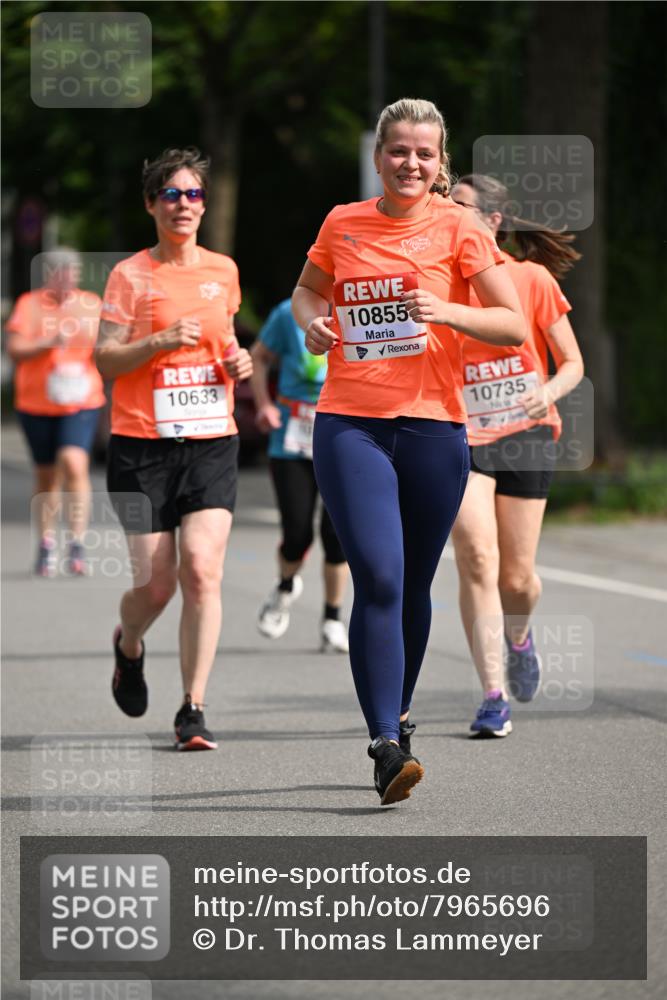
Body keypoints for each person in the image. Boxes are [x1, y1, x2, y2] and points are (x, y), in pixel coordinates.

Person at [292, 99, 526, 804]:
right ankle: (385, 743)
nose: (410, 163)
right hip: (351, 424)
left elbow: (512, 324)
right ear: (378, 156)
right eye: (398, 150)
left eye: (424, 153)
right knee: (381, 577)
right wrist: (313, 325)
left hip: (434, 428)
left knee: (415, 584)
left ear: (440, 160)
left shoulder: (460, 227)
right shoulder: (342, 222)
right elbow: (306, 293)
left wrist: (447, 310)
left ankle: (395, 716)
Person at [96, 147, 252, 751]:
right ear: (151, 204)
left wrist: (237, 362)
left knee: (203, 570)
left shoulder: (224, 270)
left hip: (211, 440)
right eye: (171, 194)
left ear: (204, 205)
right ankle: (129, 644)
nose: (183, 204)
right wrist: (157, 341)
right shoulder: (130, 275)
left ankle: (193, 708)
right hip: (142, 445)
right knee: (157, 587)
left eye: (193, 194)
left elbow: (225, 340)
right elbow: (106, 360)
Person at [449, 173, 584, 737]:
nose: (448, 212)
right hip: (463, 435)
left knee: (518, 579)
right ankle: (492, 695)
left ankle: (520, 637)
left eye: (460, 206)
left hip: (526, 431)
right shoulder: (439, 283)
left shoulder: (530, 278)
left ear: (493, 220)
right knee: (477, 558)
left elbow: (572, 362)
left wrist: (547, 392)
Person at [250, 299, 350, 652]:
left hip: (344, 433)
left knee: (337, 534)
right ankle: (285, 586)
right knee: (297, 533)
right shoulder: (287, 312)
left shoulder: (359, 303)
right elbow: (259, 356)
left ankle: (332, 618)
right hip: (292, 437)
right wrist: (263, 405)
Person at [6, 247, 104, 577]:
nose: (68, 281)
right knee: (46, 476)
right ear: (49, 276)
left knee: (73, 462)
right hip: (36, 402)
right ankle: (46, 543)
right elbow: (15, 349)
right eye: (62, 275)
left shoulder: (91, 304)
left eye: (73, 274)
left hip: (81, 400)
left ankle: (77, 542)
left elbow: (106, 347)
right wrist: (47, 342)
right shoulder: (29, 304)